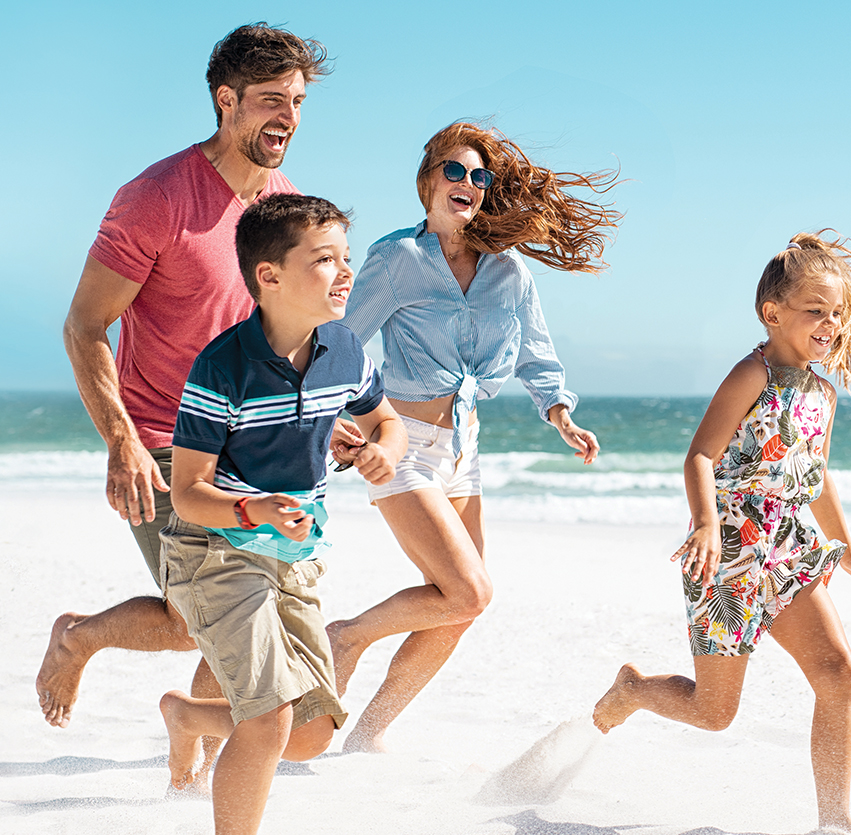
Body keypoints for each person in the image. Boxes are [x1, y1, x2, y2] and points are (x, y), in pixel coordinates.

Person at [37, 23, 329, 734]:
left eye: (295, 100)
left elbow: (278, 329)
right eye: (269, 100)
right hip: (167, 443)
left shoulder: (283, 203)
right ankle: (79, 638)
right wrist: (122, 442)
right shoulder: (156, 197)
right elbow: (83, 326)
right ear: (225, 101)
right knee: (211, 615)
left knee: (223, 613)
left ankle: (191, 747)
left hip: (252, 444)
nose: (286, 117)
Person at [326, 121, 621, 752]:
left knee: (462, 606)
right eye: (454, 171)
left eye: (479, 176)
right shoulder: (395, 259)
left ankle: (369, 733)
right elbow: (341, 340)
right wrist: (330, 416)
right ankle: (346, 636)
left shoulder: (508, 272)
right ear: (427, 181)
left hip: (463, 450)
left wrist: (559, 413)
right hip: (400, 441)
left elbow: (538, 353)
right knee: (467, 588)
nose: (466, 183)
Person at [592, 232, 851, 835]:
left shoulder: (822, 392)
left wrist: (850, 548)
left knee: (838, 671)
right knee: (714, 713)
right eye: (815, 310)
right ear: (773, 313)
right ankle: (632, 690)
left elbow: (817, 476)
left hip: (788, 548)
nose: (829, 323)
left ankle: (834, 818)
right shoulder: (750, 373)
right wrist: (705, 523)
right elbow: (700, 456)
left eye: (837, 313)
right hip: (728, 551)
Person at [158, 194, 404, 835]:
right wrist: (253, 507)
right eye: (325, 260)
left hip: (294, 555)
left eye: (346, 258)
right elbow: (187, 492)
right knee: (269, 721)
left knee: (311, 733)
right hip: (215, 549)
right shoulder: (223, 366)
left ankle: (189, 715)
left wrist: (382, 450)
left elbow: (385, 418)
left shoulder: (346, 349)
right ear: (268, 277)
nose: (347, 272)